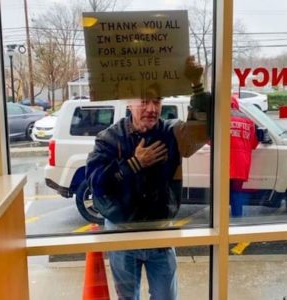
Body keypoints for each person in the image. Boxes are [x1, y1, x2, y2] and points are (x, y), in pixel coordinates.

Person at [85, 56, 211, 300]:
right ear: (129, 103)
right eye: (144, 101)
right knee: (127, 297)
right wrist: (133, 164)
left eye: (157, 100)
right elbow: (96, 184)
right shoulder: (108, 138)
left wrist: (197, 86)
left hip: (160, 234)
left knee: (166, 297)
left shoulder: (172, 133)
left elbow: (202, 131)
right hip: (122, 233)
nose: (152, 108)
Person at [229, 96, 258, 218]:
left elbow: (210, 141)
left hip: (223, 162)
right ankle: (237, 219)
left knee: (220, 193)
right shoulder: (247, 119)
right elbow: (253, 143)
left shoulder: (219, 118)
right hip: (241, 162)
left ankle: (218, 222)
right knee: (236, 192)